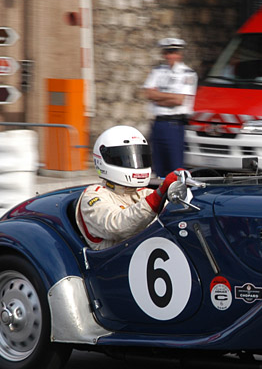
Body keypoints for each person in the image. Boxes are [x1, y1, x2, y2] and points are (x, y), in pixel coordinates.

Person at [76, 125, 190, 250]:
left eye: (140, 157)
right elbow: (117, 226)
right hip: (115, 262)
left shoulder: (143, 193)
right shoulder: (93, 196)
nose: (135, 164)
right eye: (125, 158)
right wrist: (158, 196)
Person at [143, 37, 197, 176]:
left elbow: (179, 100)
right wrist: (169, 96)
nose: (170, 56)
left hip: (175, 124)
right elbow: (149, 93)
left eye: (173, 52)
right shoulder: (158, 71)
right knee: (158, 166)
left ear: (179, 54)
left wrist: (159, 97)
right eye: (167, 52)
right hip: (158, 123)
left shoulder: (187, 74)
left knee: (175, 168)